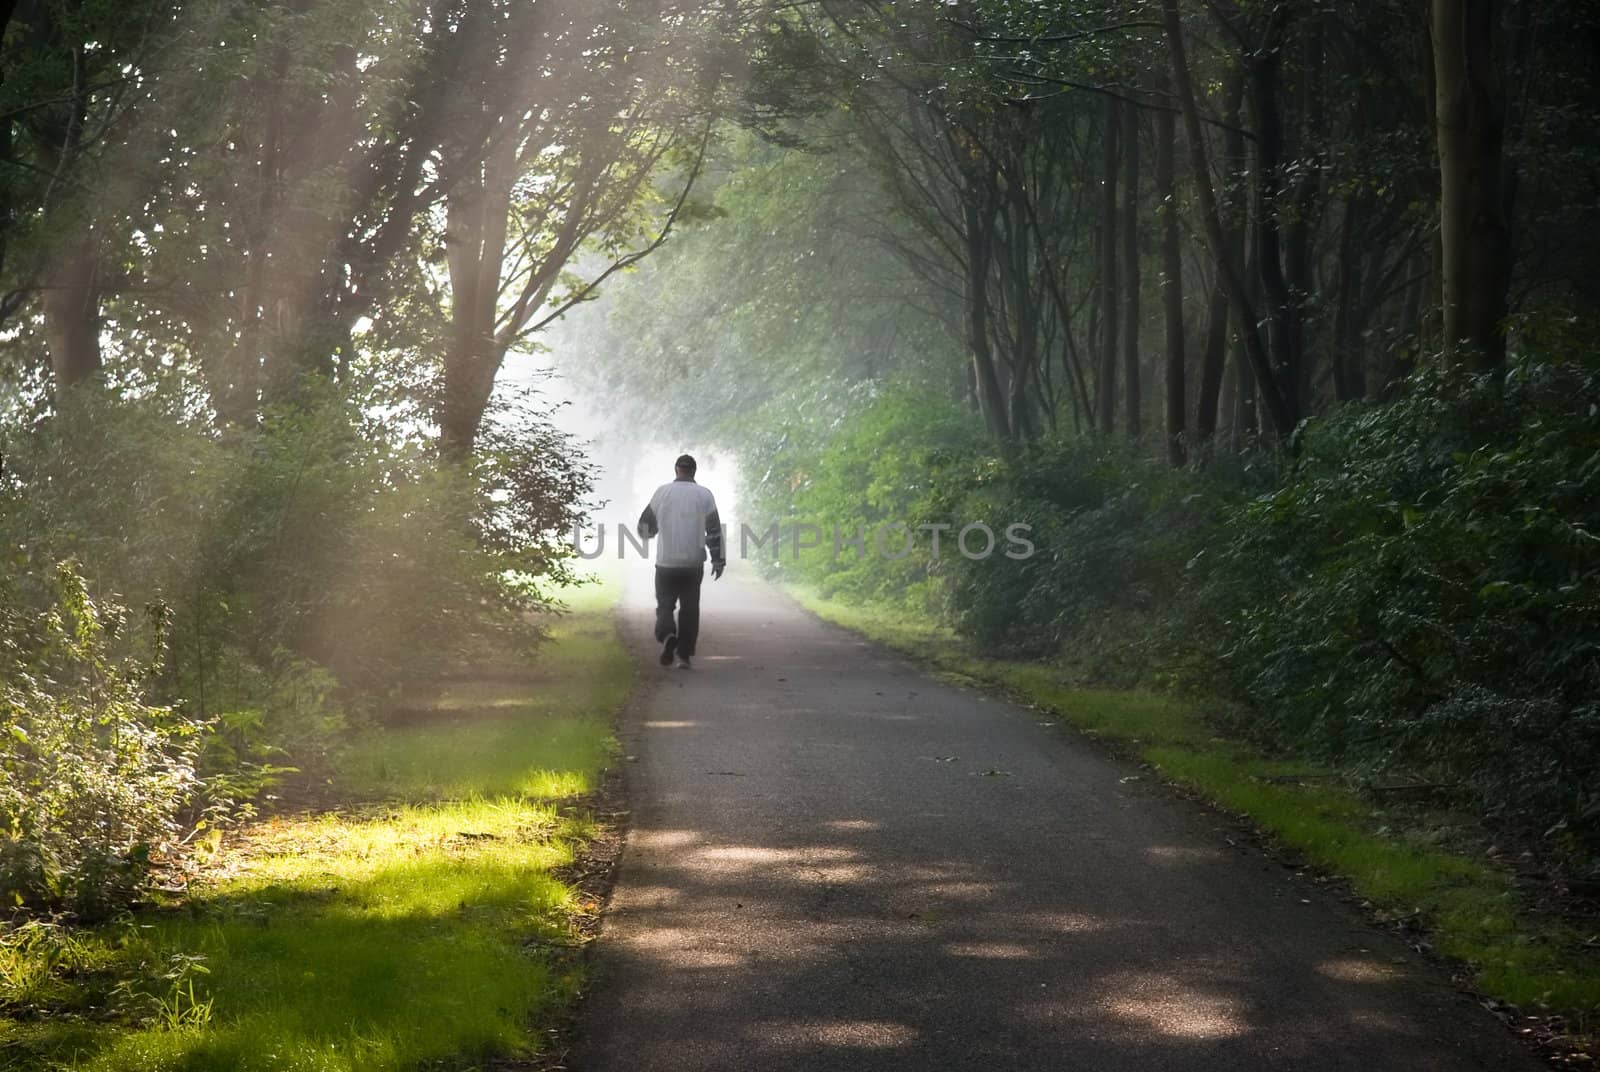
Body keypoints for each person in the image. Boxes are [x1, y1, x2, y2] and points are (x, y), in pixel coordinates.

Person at [637, 454, 725, 669]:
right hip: (693, 564)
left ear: (676, 469)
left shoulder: (662, 492)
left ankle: (668, 636)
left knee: (665, 606)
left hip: (666, 562)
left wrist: (656, 529)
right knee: (689, 609)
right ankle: (684, 656)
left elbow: (644, 527)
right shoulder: (705, 495)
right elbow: (713, 530)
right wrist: (718, 560)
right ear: (694, 471)